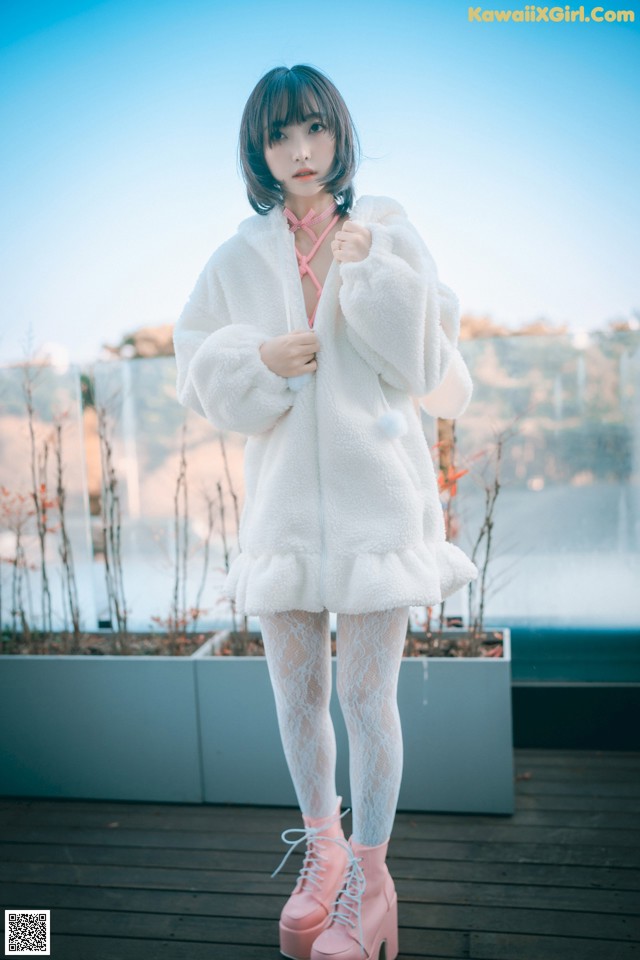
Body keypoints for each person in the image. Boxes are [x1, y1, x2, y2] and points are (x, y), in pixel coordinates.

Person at [173, 63, 478, 960]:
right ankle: (327, 852)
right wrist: (257, 359)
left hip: (377, 504)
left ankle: (372, 886)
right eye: (279, 135)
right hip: (283, 517)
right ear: (257, 150)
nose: (299, 150)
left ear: (339, 133)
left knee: (366, 698)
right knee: (297, 699)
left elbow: (430, 366)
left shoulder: (387, 230)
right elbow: (195, 368)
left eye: (313, 128)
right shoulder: (235, 259)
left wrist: (374, 270)